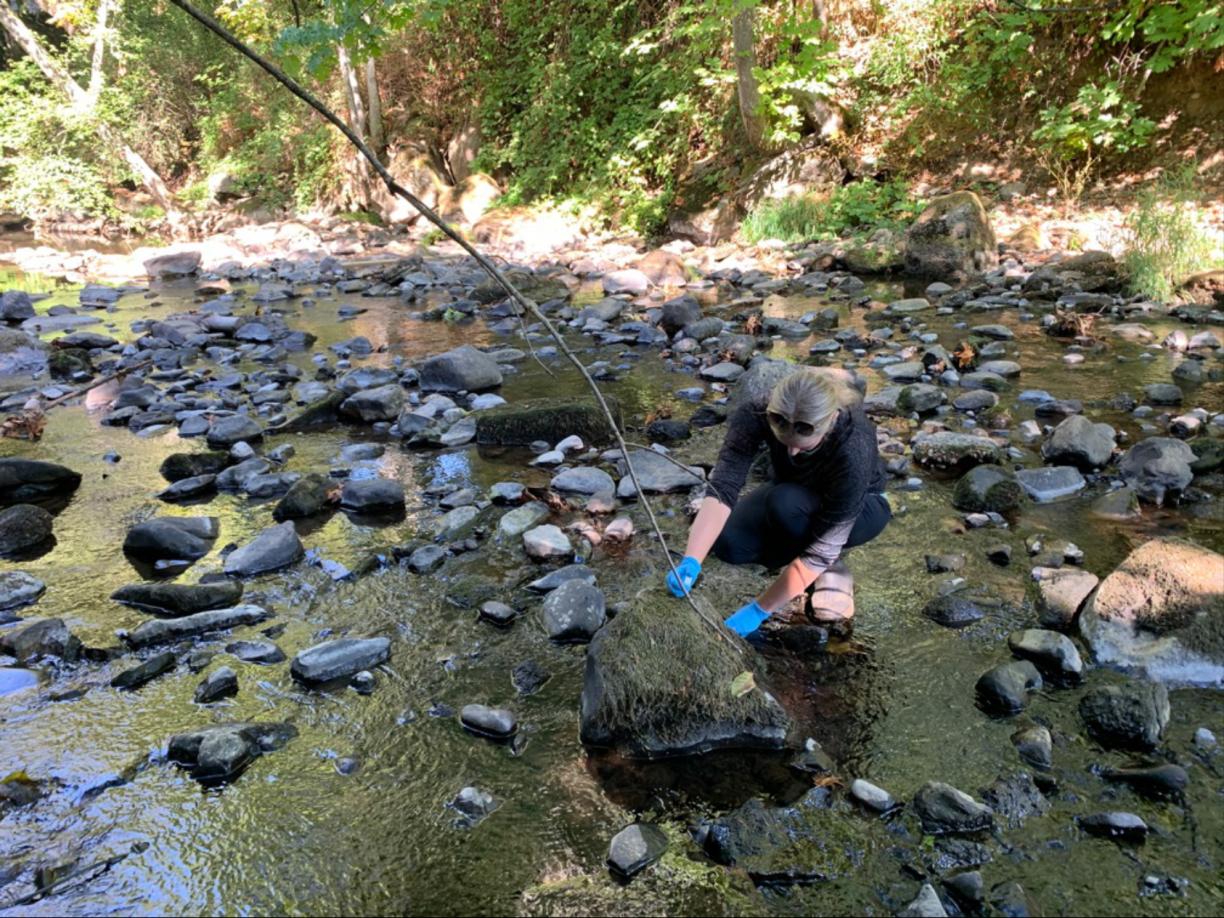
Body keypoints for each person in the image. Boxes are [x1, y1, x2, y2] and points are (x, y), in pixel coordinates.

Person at [665, 366, 891, 637]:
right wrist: (691, 560)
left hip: (863, 507)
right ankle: (799, 564)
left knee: (787, 507)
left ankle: (826, 565)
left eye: (803, 445)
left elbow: (822, 545)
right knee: (729, 546)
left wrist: (759, 610)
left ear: (830, 420)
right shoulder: (758, 410)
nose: (792, 452)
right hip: (792, 492)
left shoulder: (854, 444)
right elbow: (725, 485)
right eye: (784, 442)